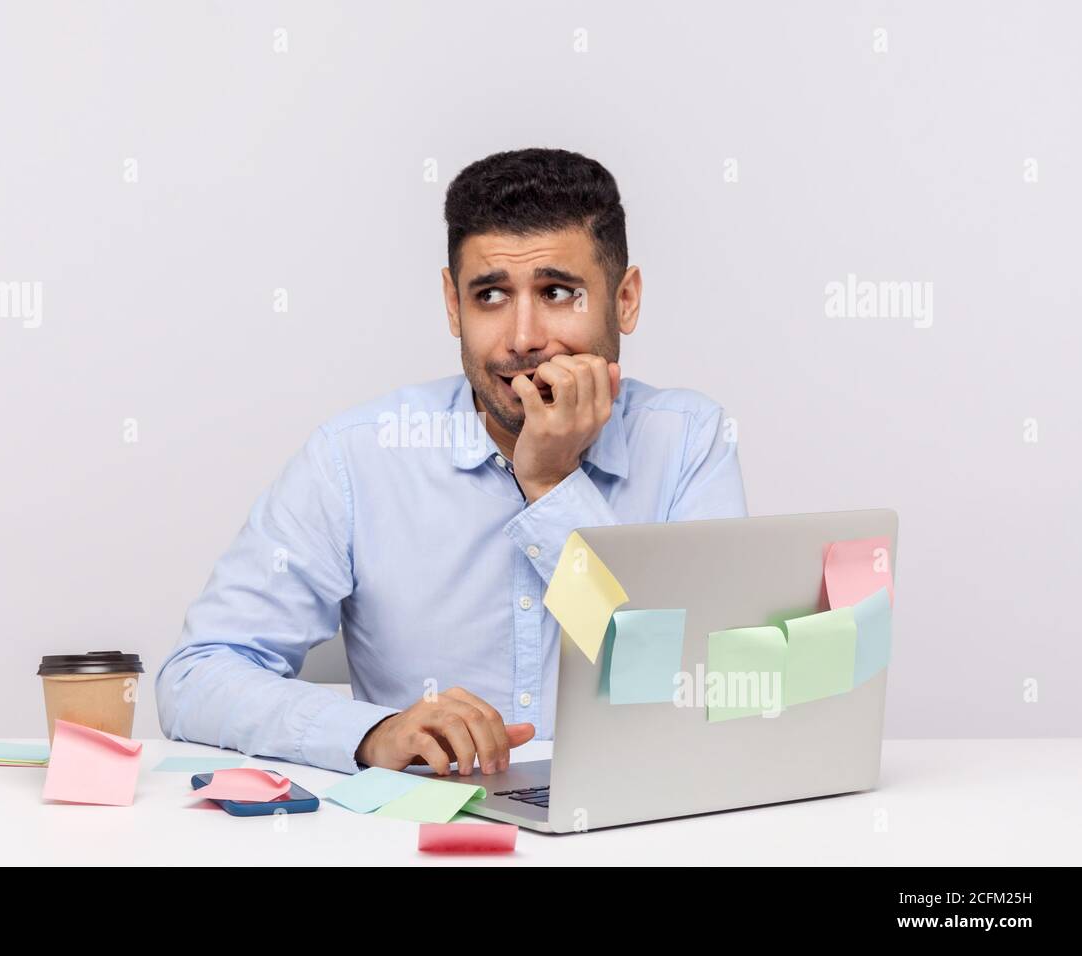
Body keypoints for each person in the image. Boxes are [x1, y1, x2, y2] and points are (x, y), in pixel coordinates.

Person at [156, 148, 747, 779]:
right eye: (490, 294)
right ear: (452, 303)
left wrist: (550, 485)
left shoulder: (687, 442)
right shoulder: (357, 457)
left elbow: (698, 693)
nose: (522, 337)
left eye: (556, 292)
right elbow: (196, 676)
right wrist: (373, 733)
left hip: (639, 829)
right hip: (421, 837)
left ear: (624, 300)